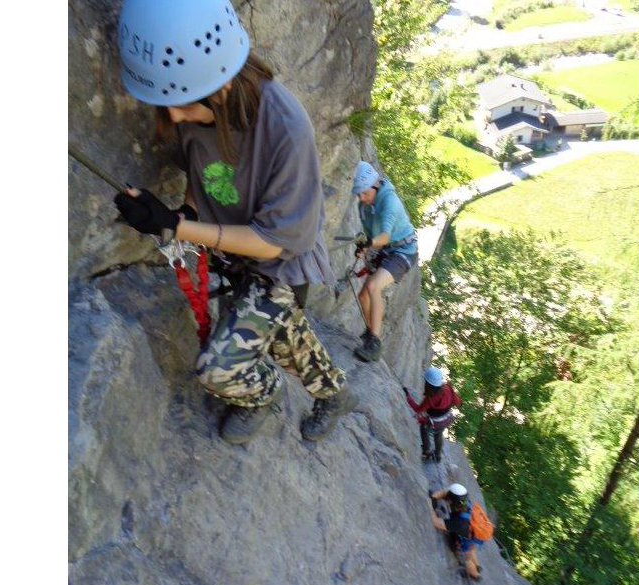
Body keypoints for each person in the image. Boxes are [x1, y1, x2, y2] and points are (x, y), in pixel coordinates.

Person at [111, 0, 354, 444]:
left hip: (277, 264)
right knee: (281, 337)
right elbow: (199, 170)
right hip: (233, 254)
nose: (173, 118)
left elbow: (274, 242)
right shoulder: (193, 96)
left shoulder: (285, 130)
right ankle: (334, 391)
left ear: (219, 83)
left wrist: (174, 226)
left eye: (180, 105)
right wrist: (185, 211)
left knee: (219, 368)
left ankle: (262, 393)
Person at [350, 161, 419, 361]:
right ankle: (371, 331)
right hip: (388, 251)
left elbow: (385, 236)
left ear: (374, 185)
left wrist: (370, 243)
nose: (361, 198)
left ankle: (375, 342)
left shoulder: (390, 201)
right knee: (363, 296)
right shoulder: (364, 204)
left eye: (364, 192)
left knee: (373, 286)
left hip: (404, 251)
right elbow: (372, 235)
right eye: (358, 194)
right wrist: (364, 247)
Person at [404, 367, 461, 462]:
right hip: (447, 419)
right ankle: (438, 455)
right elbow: (457, 401)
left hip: (436, 422)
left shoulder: (430, 398)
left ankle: (426, 452)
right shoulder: (448, 388)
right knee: (438, 434)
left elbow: (418, 409)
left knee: (423, 428)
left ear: (428, 384)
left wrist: (408, 396)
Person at [430, 484, 482, 581]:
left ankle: (475, 575)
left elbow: (436, 523)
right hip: (474, 535)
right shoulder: (465, 501)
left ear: (451, 500)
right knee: (472, 548)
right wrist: (434, 497)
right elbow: (446, 492)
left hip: (466, 538)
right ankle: (478, 565)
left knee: (467, 558)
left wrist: (429, 503)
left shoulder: (459, 522)